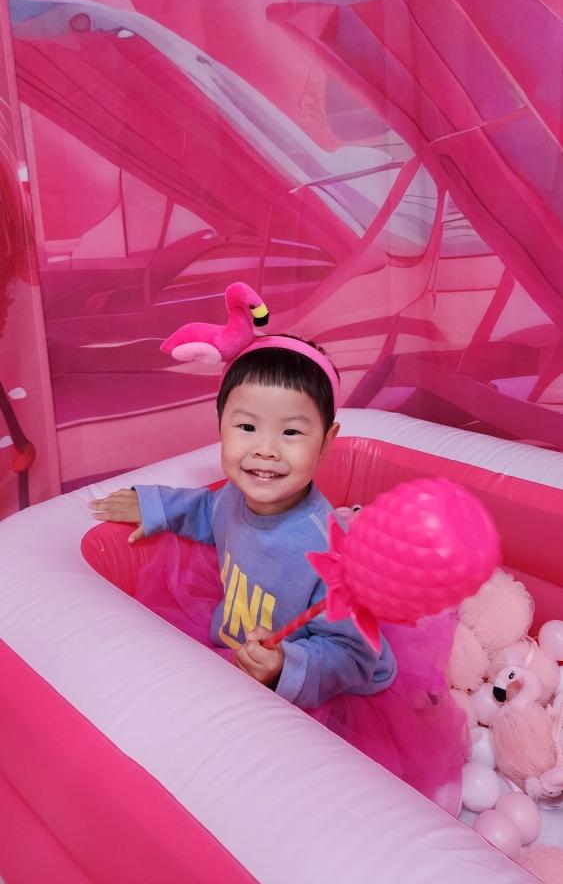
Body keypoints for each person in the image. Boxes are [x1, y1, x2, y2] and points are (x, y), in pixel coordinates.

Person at [90, 333, 467, 812]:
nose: (265, 449)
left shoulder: (324, 550)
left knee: (289, 796)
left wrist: (285, 666)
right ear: (221, 426)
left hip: (315, 688)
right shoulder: (234, 497)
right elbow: (208, 511)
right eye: (247, 427)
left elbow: (355, 655)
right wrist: (156, 505)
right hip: (236, 647)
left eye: (291, 433)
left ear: (327, 442)